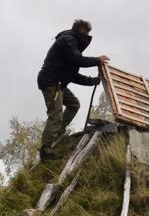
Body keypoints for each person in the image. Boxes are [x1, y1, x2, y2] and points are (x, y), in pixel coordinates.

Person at [36, 19, 110, 160]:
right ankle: (46, 151)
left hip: (58, 84)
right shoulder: (68, 40)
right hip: (51, 83)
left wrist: (91, 81)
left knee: (74, 104)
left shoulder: (71, 43)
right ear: (80, 30)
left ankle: (56, 135)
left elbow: (73, 75)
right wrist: (97, 60)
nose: (86, 35)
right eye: (86, 32)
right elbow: (78, 60)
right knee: (55, 115)